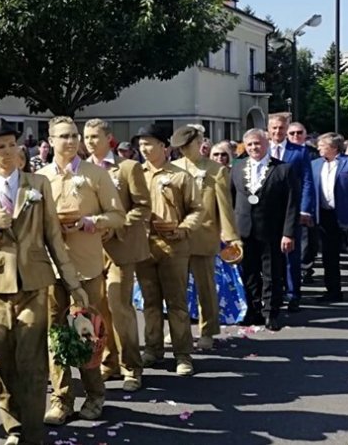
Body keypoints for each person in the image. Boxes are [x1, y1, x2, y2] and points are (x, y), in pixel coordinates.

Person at [0, 118, 87, 445]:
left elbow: (52, 236)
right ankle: (13, 427)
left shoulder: (37, 184)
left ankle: (34, 433)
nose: (7, 151)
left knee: (32, 361)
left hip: (35, 282)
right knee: (4, 362)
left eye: (11, 144)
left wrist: (73, 283)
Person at [39, 117, 124, 424]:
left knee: (87, 333)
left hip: (87, 267)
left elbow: (118, 215)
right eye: (64, 136)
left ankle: (95, 394)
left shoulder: (94, 174)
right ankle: (61, 398)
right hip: (51, 270)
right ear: (50, 141)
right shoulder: (40, 177)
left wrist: (92, 223)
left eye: (75, 135)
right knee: (56, 336)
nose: (72, 141)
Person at [82, 119, 150, 393]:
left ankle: (131, 366)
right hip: (90, 250)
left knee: (119, 306)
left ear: (109, 138)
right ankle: (108, 361)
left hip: (120, 248)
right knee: (99, 310)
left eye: (95, 136)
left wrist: (115, 224)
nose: (89, 141)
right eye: (86, 136)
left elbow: (143, 207)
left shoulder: (127, 168)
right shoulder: (81, 170)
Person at [134, 124, 202, 376]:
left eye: (149, 143)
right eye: (141, 144)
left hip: (174, 246)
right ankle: (152, 349)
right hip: (144, 246)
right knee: (150, 302)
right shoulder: (136, 174)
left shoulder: (180, 175)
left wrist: (183, 229)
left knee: (176, 303)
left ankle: (183, 354)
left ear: (164, 147)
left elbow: (197, 210)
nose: (144, 148)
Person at [171, 125, 244, 349]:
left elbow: (225, 207)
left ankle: (208, 331)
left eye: (189, 145)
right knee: (176, 288)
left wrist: (232, 237)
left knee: (206, 288)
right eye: (181, 147)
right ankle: (179, 330)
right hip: (176, 237)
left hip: (204, 236)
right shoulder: (172, 168)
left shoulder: (216, 170)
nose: (185, 150)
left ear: (200, 142)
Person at [230, 129, 299, 331]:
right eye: (250, 144)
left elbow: (291, 204)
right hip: (244, 230)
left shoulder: (283, 169)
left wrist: (288, 233)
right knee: (249, 273)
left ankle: (270, 312)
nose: (254, 148)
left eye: (257, 143)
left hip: (272, 231)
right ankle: (253, 310)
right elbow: (229, 200)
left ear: (266, 143)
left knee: (271, 274)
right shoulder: (237, 168)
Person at [266, 113, 315, 312]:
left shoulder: (299, 152)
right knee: (269, 255)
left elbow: (307, 181)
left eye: (281, 128)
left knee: (290, 254)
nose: (278, 131)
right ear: (269, 129)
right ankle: (274, 293)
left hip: (291, 209)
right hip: (268, 210)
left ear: (286, 129)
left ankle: (294, 294)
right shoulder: (262, 149)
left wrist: (305, 209)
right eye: (274, 128)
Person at [310, 133, 348, 303]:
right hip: (325, 216)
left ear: (333, 147)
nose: (318, 148)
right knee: (329, 255)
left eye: (322, 145)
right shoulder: (315, 165)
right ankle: (333, 291)